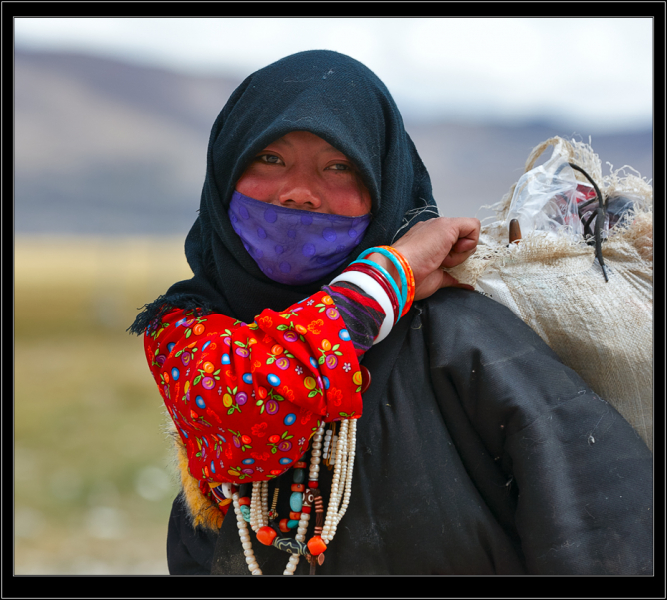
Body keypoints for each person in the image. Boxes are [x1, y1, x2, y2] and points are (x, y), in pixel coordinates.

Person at [129, 50, 652, 576]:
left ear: (384, 184)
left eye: (338, 167)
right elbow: (253, 402)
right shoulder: (187, 333)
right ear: (225, 171)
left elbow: (602, 529)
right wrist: (390, 273)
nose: (299, 193)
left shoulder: (459, 336)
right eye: (269, 158)